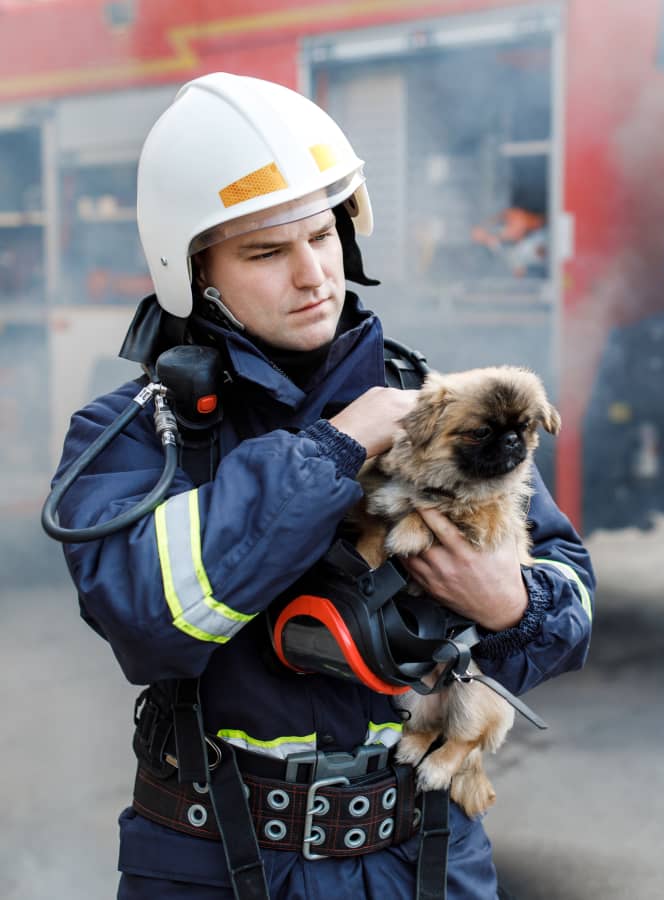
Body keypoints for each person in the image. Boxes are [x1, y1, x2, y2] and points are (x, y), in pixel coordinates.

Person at [49, 72, 594, 899]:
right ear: (194, 271)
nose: (312, 276)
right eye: (266, 252)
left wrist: (508, 604)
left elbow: (574, 597)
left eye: (323, 237)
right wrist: (335, 448)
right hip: (218, 865)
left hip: (426, 858)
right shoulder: (135, 434)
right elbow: (147, 622)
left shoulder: (430, 403)